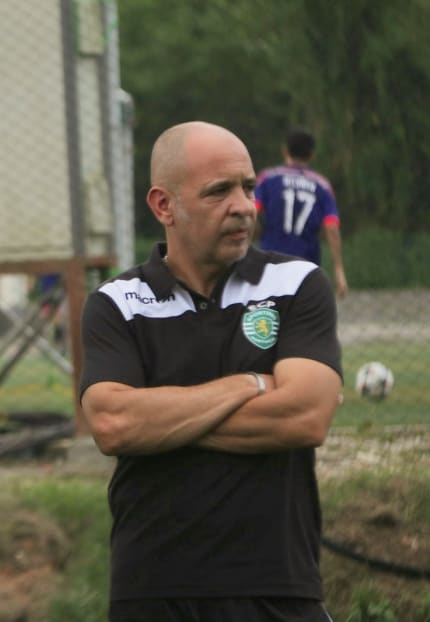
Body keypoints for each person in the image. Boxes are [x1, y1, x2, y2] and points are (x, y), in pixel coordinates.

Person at [80, 121, 343, 622]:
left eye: (247, 186)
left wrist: (160, 420)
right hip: (154, 589)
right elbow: (114, 424)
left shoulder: (296, 285)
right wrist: (250, 384)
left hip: (278, 585)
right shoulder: (117, 303)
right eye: (219, 191)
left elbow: (305, 417)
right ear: (164, 206)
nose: (244, 205)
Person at [255, 127, 348, 299]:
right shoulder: (322, 186)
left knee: (270, 313)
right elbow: (331, 227)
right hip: (305, 264)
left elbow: (252, 212)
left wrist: (255, 234)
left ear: (285, 150)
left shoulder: (267, 178)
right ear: (312, 154)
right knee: (301, 314)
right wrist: (338, 268)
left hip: (269, 261)